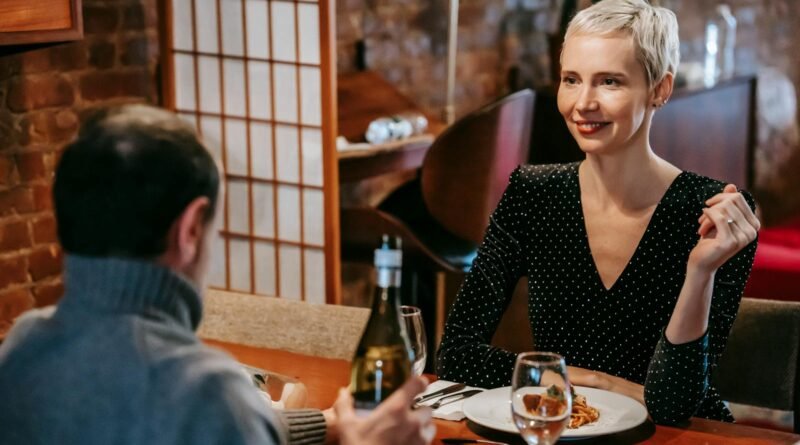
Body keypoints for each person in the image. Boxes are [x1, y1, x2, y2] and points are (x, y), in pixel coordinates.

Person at [0, 105, 434, 445]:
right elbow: (204, 417)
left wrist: (326, 424)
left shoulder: (22, 349)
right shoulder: (206, 391)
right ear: (191, 229)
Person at [437, 0, 760, 425]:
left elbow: (675, 407)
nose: (583, 102)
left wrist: (700, 271)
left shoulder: (713, 215)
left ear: (660, 89)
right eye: (571, 79)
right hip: (567, 425)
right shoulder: (532, 194)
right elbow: (455, 354)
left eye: (609, 81)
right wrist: (590, 382)